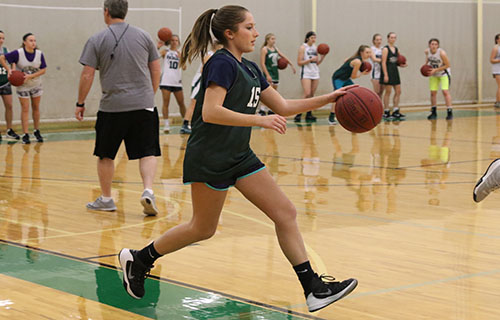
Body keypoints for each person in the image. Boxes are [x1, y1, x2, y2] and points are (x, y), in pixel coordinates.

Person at [118, 5, 357, 313]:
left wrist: (330, 99)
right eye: (249, 27)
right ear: (230, 33)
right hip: (210, 156)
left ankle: (314, 288)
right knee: (202, 229)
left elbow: (283, 106)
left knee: (285, 212)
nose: (255, 32)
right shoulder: (221, 63)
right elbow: (211, 112)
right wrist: (260, 120)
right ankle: (140, 259)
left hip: (239, 155)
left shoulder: (252, 69)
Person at [75, 0, 161, 215]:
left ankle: (106, 199)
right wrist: (148, 95)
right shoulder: (144, 36)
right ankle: (148, 190)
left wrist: (80, 103)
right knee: (148, 151)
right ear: (126, 11)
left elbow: (87, 74)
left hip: (113, 107)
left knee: (106, 155)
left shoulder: (97, 39)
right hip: (144, 104)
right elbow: (156, 69)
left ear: (106, 12)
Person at [0, 33, 47, 144]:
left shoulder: (39, 54)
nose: (33, 42)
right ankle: (25, 134)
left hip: (36, 84)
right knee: (25, 109)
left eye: (34, 40)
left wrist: (30, 76)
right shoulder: (18, 53)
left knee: (36, 107)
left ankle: (36, 130)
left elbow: (43, 69)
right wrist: (9, 70)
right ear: (24, 42)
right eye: (30, 40)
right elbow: (2, 58)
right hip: (23, 86)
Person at [181, 42, 222, 134]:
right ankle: (185, 124)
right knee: (194, 103)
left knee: (202, 104)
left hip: (205, 81)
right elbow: (203, 69)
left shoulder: (216, 55)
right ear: (218, 46)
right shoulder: (209, 54)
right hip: (199, 80)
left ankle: (197, 124)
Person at [329, 45, 372, 125]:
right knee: (337, 97)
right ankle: (331, 117)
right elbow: (353, 76)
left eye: (370, 52)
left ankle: (354, 114)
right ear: (361, 52)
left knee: (355, 94)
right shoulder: (358, 61)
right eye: (367, 52)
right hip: (338, 78)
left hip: (346, 79)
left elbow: (346, 61)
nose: (369, 54)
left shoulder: (358, 60)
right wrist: (362, 74)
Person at [259, 33, 296, 116]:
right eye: (272, 39)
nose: (274, 41)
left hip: (275, 72)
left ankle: (270, 109)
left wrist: (291, 65)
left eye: (274, 39)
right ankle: (262, 110)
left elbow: (283, 57)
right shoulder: (264, 49)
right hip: (268, 72)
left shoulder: (275, 48)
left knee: (274, 93)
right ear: (267, 40)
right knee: (268, 93)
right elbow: (262, 63)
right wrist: (267, 75)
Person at [294, 31, 326, 123]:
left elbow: (317, 63)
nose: (314, 40)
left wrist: (323, 57)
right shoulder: (303, 47)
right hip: (306, 72)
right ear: (307, 38)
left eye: (315, 38)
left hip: (315, 72)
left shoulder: (316, 48)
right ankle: (298, 113)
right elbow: (299, 62)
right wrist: (309, 60)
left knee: (312, 94)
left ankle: (309, 113)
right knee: (307, 93)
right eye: (312, 38)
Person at [159, 34, 187, 133]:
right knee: (166, 103)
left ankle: (186, 123)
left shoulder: (180, 53)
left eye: (176, 40)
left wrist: (182, 59)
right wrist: (159, 47)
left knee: (181, 103)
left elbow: (184, 68)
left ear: (178, 42)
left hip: (177, 82)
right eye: (172, 40)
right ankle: (166, 125)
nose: (174, 42)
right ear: (169, 42)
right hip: (166, 81)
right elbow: (155, 57)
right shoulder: (165, 52)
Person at [380, 32, 407, 121]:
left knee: (398, 91)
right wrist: (385, 75)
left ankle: (396, 110)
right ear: (388, 38)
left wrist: (402, 64)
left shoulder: (396, 49)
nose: (393, 39)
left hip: (395, 72)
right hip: (388, 72)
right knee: (388, 92)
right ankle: (386, 111)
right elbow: (383, 62)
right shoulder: (385, 49)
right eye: (391, 37)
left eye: (394, 37)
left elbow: (398, 60)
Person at [425, 38, 453, 120]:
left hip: (444, 74)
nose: (434, 46)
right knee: (433, 93)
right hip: (434, 74)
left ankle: (449, 112)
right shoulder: (427, 51)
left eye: (435, 44)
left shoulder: (442, 53)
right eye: (432, 44)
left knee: (445, 91)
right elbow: (427, 60)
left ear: (438, 46)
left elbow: (447, 65)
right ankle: (433, 112)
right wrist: (425, 68)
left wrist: (435, 70)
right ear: (429, 45)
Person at [0, 31, 20, 141]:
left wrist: (12, 70)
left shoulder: (6, 50)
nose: (1, 40)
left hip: (5, 82)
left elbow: (13, 61)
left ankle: (9, 130)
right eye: (0, 38)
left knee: (9, 106)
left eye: (3, 38)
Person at [370, 33, 384, 97]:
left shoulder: (383, 49)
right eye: (377, 40)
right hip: (375, 73)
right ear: (374, 41)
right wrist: (385, 61)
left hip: (383, 73)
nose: (379, 41)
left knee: (381, 93)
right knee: (376, 93)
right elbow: (374, 59)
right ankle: (373, 106)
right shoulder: (371, 49)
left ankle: (380, 106)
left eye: (380, 40)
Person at [490, 34, 500, 108]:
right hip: (497, 70)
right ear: (496, 40)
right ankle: (498, 102)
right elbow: (491, 60)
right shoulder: (495, 48)